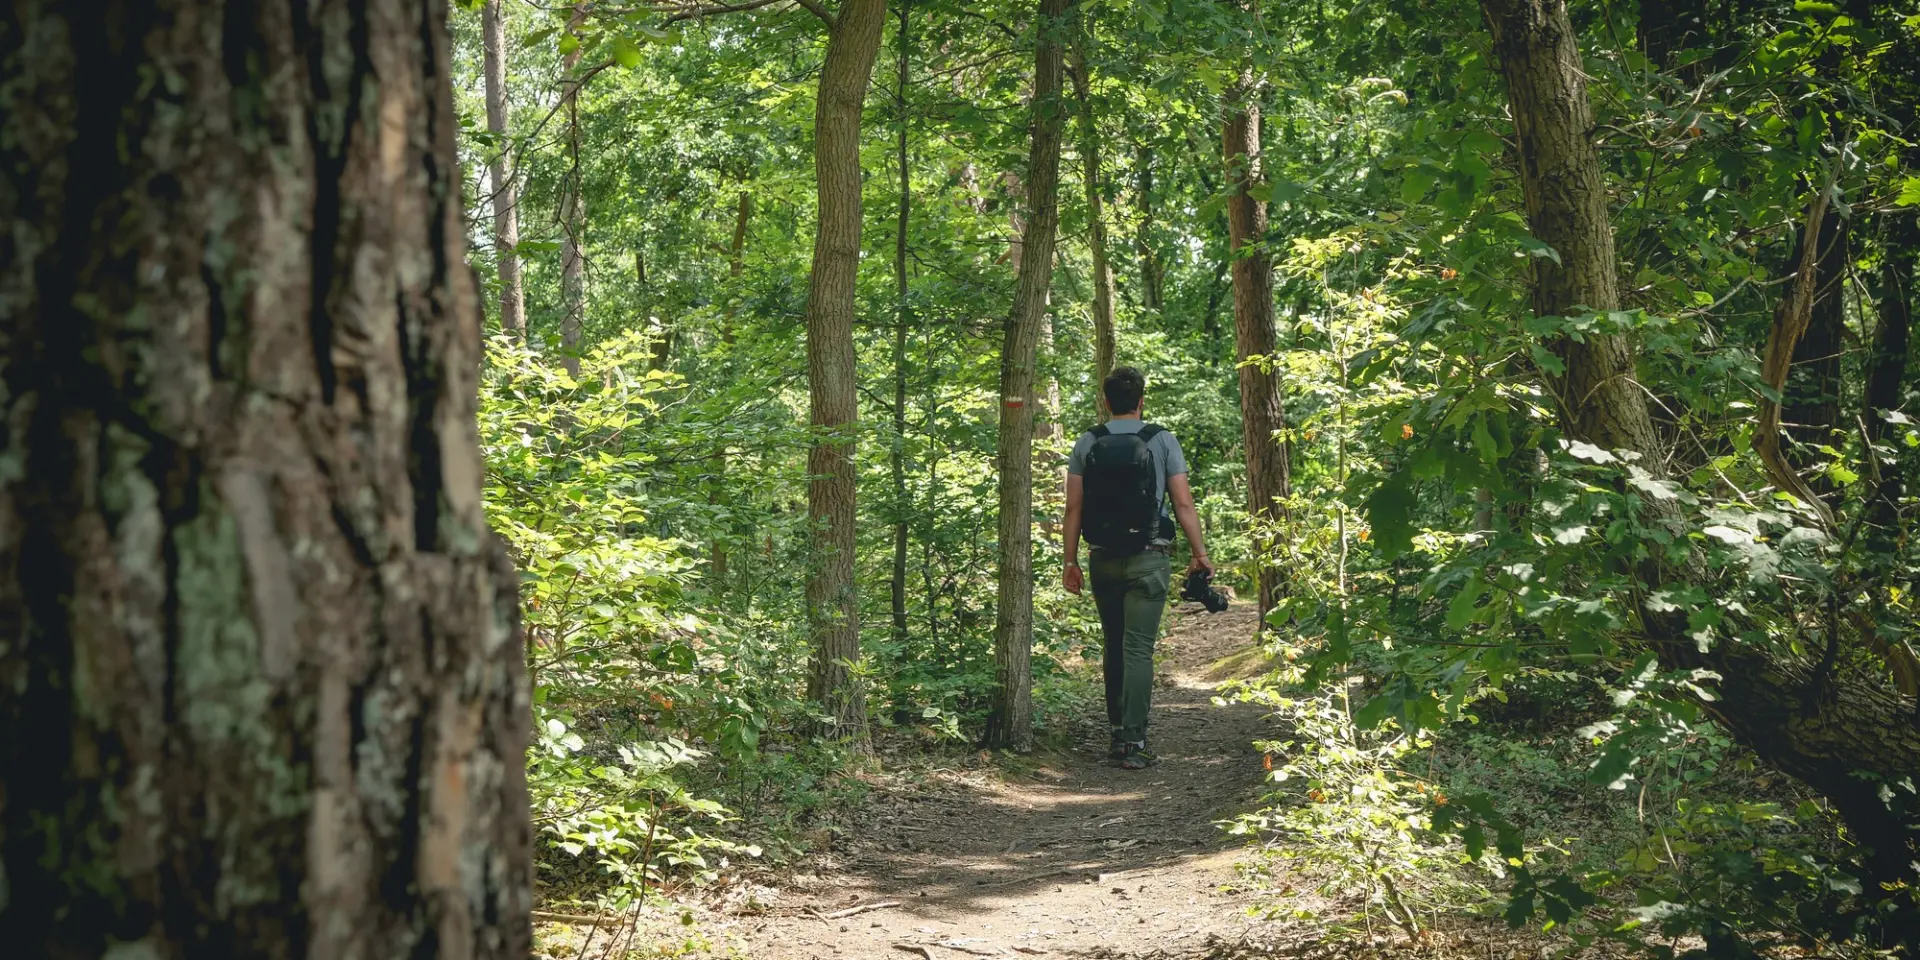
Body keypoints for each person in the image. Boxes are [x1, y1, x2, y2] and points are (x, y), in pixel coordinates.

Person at [1062, 366, 1212, 770]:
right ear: (1142, 401)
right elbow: (1182, 503)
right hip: (1150, 556)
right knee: (1138, 648)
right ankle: (1135, 741)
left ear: (1106, 401)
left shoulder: (1087, 442)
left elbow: (1073, 508)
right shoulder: (1161, 440)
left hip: (1102, 557)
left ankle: (1116, 733)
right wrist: (1200, 553)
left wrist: (1070, 561)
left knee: (1113, 644)